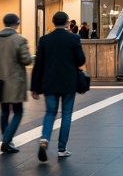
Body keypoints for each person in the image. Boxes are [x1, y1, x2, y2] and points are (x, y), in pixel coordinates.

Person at [31, 11, 86, 161]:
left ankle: (44, 139)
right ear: (68, 23)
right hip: (69, 82)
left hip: (49, 83)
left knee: (50, 113)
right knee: (66, 114)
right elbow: (81, 60)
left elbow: (39, 64)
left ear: (53, 22)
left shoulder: (45, 40)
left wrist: (34, 87)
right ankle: (62, 149)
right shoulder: (74, 38)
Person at [0, 13, 34, 154]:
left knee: (4, 112)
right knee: (18, 111)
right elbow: (27, 60)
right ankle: (6, 141)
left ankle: (7, 140)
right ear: (16, 24)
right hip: (14, 82)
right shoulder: (20, 40)